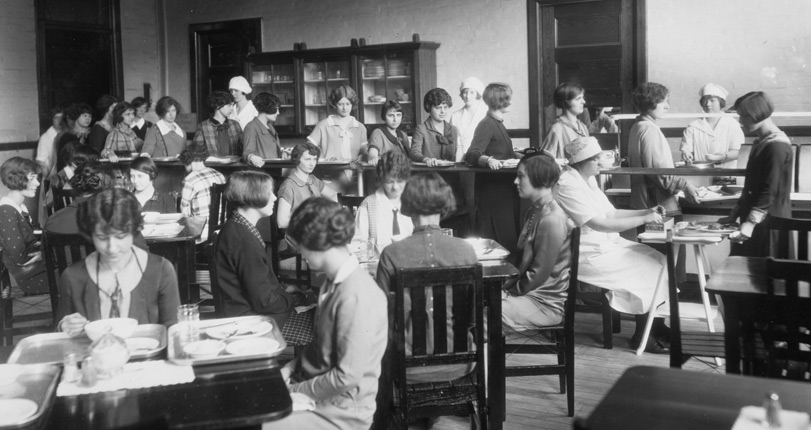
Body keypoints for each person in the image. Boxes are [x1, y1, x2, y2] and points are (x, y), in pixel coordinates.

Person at [264, 197, 387, 430]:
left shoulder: (357, 296)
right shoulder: (332, 283)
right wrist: (290, 368)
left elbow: (345, 377)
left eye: (300, 245)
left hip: (342, 410)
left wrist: (292, 390)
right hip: (321, 392)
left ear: (318, 243)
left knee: (256, 422)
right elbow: (321, 347)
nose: (299, 252)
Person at [556, 136, 671, 353]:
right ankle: (641, 336)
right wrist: (644, 220)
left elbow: (612, 212)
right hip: (585, 253)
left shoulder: (588, 180)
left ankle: (655, 327)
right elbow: (599, 224)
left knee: (658, 259)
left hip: (604, 245)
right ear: (582, 161)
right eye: (597, 159)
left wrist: (647, 211)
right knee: (645, 268)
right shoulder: (566, 185)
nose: (601, 163)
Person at [376, 172, 477, 382]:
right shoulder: (466, 251)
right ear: (444, 203)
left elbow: (382, 320)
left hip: (407, 366)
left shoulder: (391, 254)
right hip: (461, 363)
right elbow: (472, 317)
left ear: (408, 205)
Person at [56, 188, 181, 335]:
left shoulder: (160, 270)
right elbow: (60, 336)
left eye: (121, 236)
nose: (112, 248)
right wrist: (64, 327)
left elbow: (173, 330)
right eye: (102, 238)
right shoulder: (73, 277)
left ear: (135, 231)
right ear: (90, 234)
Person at [212, 171, 316, 342]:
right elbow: (264, 302)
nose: (275, 198)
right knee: (316, 327)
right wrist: (295, 298)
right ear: (252, 196)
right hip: (249, 322)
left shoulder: (236, 226)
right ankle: (293, 368)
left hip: (241, 311)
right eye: (270, 193)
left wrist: (282, 291)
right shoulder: (243, 239)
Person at [503, 152, 573, 330]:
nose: (515, 182)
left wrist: (508, 292)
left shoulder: (552, 219)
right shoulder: (534, 210)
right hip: (528, 294)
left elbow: (538, 274)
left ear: (539, 178)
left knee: (481, 308)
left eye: (520, 177)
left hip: (544, 303)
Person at [721, 91, 793, 257]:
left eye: (744, 116)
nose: (741, 122)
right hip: (755, 219)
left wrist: (750, 223)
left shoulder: (777, 146)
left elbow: (770, 190)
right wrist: (734, 215)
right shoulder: (761, 142)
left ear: (757, 113)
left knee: (766, 276)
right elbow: (751, 186)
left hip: (769, 220)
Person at [464, 82, 521, 255]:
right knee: (496, 243)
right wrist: (488, 160)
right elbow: (472, 154)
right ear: (500, 101)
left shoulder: (497, 123)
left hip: (503, 193)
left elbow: (500, 151)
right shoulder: (487, 124)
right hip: (492, 195)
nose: (511, 102)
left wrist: (517, 155)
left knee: (506, 240)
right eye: (508, 98)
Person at [628, 82, 699, 215]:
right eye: (663, 102)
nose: (667, 106)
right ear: (650, 103)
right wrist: (685, 185)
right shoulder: (649, 129)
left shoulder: (637, 126)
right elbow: (660, 172)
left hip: (644, 203)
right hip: (657, 205)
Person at [0, 157, 48, 296]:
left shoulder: (19, 207)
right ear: (16, 179)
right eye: (32, 178)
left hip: (38, 269)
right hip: (31, 278)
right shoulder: (6, 211)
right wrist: (44, 254)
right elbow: (20, 257)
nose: (38, 183)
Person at [353, 151, 413, 251]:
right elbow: (358, 244)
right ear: (381, 179)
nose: (395, 187)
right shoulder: (368, 205)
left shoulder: (413, 202)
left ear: (406, 179)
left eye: (400, 181)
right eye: (389, 182)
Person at [680, 83, 743, 169]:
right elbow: (686, 149)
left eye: (712, 100)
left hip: (727, 174)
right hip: (702, 174)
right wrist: (686, 153)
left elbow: (738, 151)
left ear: (721, 102)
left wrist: (722, 157)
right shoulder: (693, 126)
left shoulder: (732, 124)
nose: (708, 104)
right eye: (704, 101)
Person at [275, 142, 336, 229]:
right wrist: (311, 218)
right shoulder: (288, 186)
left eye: (314, 159)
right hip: (299, 235)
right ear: (297, 160)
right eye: (307, 159)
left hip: (315, 231)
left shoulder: (313, 179)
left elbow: (334, 195)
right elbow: (281, 222)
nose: (312, 163)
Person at [306, 84, 367, 162]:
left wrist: (363, 156)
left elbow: (363, 151)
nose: (345, 108)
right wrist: (320, 158)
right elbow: (309, 146)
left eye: (348, 104)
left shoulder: (360, 127)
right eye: (340, 104)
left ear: (352, 104)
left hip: (352, 169)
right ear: (334, 104)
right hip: (329, 168)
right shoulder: (324, 124)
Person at [179, 144, 225, 238]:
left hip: (201, 232)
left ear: (188, 161)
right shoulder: (219, 175)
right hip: (221, 230)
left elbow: (185, 214)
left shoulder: (190, 180)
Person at [410, 88, 459, 166]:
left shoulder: (454, 130)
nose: (443, 111)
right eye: (438, 107)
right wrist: (426, 159)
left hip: (451, 174)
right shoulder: (421, 129)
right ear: (428, 107)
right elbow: (414, 152)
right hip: (429, 174)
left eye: (445, 107)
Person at [541, 82, 590, 160]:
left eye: (582, 98)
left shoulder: (583, 127)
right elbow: (545, 162)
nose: (583, 102)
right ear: (566, 102)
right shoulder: (557, 129)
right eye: (578, 99)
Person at [192, 91, 243, 157]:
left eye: (232, 105)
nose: (232, 108)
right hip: (211, 166)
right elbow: (196, 152)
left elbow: (243, 149)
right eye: (229, 105)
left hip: (233, 165)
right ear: (218, 105)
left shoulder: (235, 125)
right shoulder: (203, 126)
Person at [450, 77, 488, 161]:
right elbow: (454, 140)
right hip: (461, 157)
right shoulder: (455, 115)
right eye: (465, 92)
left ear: (477, 94)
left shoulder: (486, 111)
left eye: (472, 92)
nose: (467, 96)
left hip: (482, 157)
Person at [242, 92, 283, 167]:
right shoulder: (251, 127)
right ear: (267, 108)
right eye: (276, 109)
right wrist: (251, 157)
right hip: (262, 171)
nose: (278, 113)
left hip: (275, 168)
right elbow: (247, 153)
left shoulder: (270, 126)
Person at [367, 100, 411, 165]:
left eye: (398, 115)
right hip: (385, 171)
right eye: (391, 115)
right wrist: (373, 158)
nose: (395, 119)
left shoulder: (403, 135)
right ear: (384, 117)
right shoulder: (378, 133)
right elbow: (372, 152)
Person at [54, 103, 93, 173]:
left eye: (90, 116)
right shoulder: (66, 137)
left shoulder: (92, 133)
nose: (88, 119)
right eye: (85, 116)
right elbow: (63, 161)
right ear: (76, 117)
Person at [35, 106, 65, 178]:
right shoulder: (45, 137)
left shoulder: (67, 134)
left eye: (62, 118)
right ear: (52, 120)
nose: (59, 120)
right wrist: (49, 180)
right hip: (52, 176)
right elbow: (41, 162)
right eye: (56, 118)